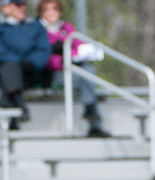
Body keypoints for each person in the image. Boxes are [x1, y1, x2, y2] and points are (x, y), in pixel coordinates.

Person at [37, 0, 110, 138]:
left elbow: (78, 45)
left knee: (88, 70)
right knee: (87, 76)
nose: (51, 12)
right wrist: (63, 60)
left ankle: (92, 114)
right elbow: (42, 56)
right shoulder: (37, 30)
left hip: (71, 69)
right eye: (46, 9)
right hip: (53, 74)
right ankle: (93, 119)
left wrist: (74, 55)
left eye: (54, 8)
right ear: (41, 12)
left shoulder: (67, 27)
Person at [0, 0, 52, 130]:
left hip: (29, 72)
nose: (23, 8)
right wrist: (17, 62)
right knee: (8, 68)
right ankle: (20, 105)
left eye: (24, 5)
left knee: (9, 73)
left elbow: (43, 49)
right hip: (6, 70)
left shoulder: (35, 25)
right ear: (6, 8)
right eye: (18, 5)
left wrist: (32, 62)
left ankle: (13, 106)